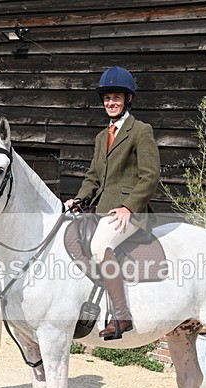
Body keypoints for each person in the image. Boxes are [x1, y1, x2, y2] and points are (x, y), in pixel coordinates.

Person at [64, 66, 161, 340]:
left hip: (130, 212)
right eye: (107, 98)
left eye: (116, 97)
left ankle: (121, 316)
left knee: (99, 245)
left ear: (128, 99)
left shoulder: (140, 131)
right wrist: (80, 198)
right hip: (102, 209)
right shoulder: (101, 137)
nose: (111, 103)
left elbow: (150, 176)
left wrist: (129, 207)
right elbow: (93, 176)